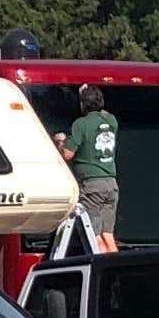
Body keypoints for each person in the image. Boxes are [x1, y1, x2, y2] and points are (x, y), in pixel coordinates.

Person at [64, 88, 121, 251]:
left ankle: (102, 266)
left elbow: (68, 154)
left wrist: (61, 142)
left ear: (83, 105)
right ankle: (116, 264)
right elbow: (103, 113)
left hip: (92, 186)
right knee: (108, 234)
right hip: (111, 185)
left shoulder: (80, 124)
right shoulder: (112, 121)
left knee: (95, 236)